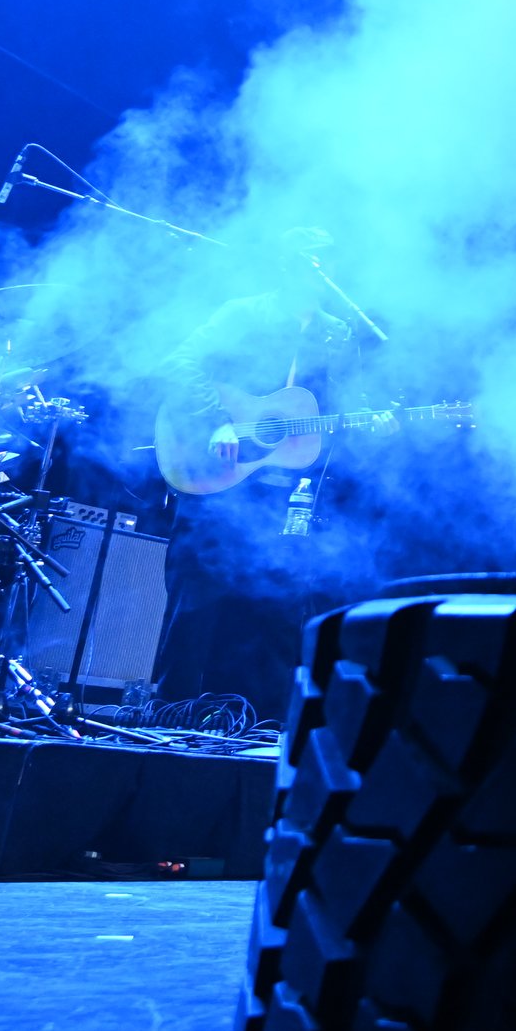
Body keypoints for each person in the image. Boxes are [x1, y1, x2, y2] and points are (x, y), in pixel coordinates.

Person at [151, 230, 392, 713]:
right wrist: (216, 421)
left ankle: (252, 725)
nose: (325, 271)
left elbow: (341, 407)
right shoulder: (244, 313)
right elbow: (178, 362)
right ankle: (169, 715)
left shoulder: (337, 333)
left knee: (273, 606)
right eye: (314, 261)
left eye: (330, 262)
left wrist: (371, 420)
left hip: (283, 488)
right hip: (215, 473)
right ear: (288, 265)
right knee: (196, 602)